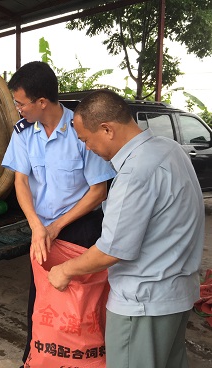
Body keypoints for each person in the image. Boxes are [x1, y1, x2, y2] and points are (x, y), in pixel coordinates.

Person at [48, 89, 205, 368]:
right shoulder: (170, 149)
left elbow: (112, 250)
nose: (87, 148)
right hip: (177, 297)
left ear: (107, 129)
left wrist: (64, 270)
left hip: (143, 304)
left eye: (86, 139)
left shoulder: (134, 174)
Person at [1, 62, 116, 366]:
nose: (17, 109)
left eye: (20, 103)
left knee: (85, 303)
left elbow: (97, 192)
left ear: (41, 102)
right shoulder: (23, 133)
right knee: (42, 300)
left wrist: (56, 227)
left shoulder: (81, 130)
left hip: (82, 228)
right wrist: (38, 227)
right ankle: (36, 357)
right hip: (43, 229)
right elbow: (21, 181)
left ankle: (85, 357)